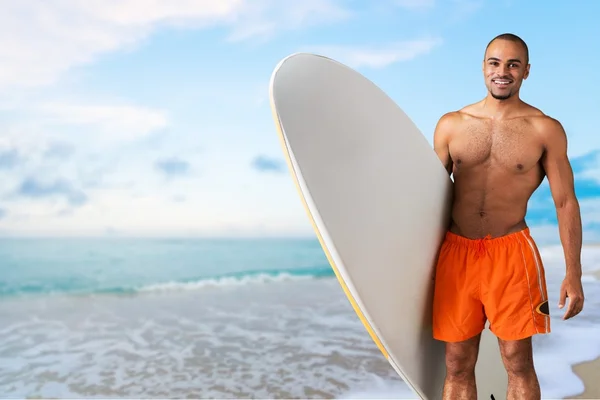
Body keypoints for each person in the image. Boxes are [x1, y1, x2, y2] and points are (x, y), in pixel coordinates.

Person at [431, 33, 585, 400]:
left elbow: (565, 202)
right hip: (456, 251)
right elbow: (426, 201)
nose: (503, 72)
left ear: (526, 71)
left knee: (517, 360)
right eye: (495, 63)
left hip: (511, 252)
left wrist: (573, 273)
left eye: (513, 64)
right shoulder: (451, 124)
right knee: (456, 362)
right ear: (484, 68)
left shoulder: (544, 129)